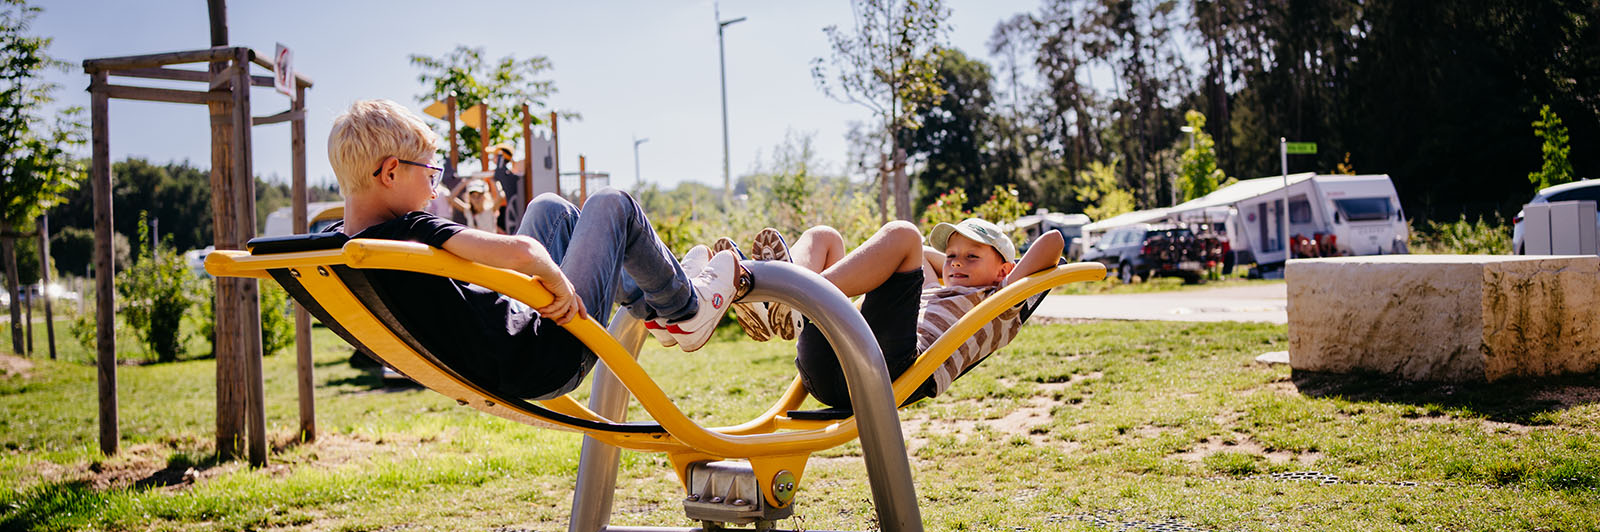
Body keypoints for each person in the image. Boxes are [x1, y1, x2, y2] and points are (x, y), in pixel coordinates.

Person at [326, 99, 736, 400]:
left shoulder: (332, 246)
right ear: (392, 171)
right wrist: (557, 281)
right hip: (548, 353)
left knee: (550, 208)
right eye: (431, 172)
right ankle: (685, 309)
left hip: (510, 351)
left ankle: (656, 307)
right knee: (612, 203)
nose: (435, 187)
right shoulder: (408, 229)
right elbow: (523, 253)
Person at [720, 218, 1064, 408]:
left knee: (904, 234)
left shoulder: (1001, 303)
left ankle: (789, 291)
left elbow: (1053, 241)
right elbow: (928, 257)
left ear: (1005, 270)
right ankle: (770, 295)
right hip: (829, 366)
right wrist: (957, 265)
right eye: (953, 254)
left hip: (890, 372)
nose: (956, 261)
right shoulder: (933, 288)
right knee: (824, 236)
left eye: (972, 257)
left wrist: (1003, 276)